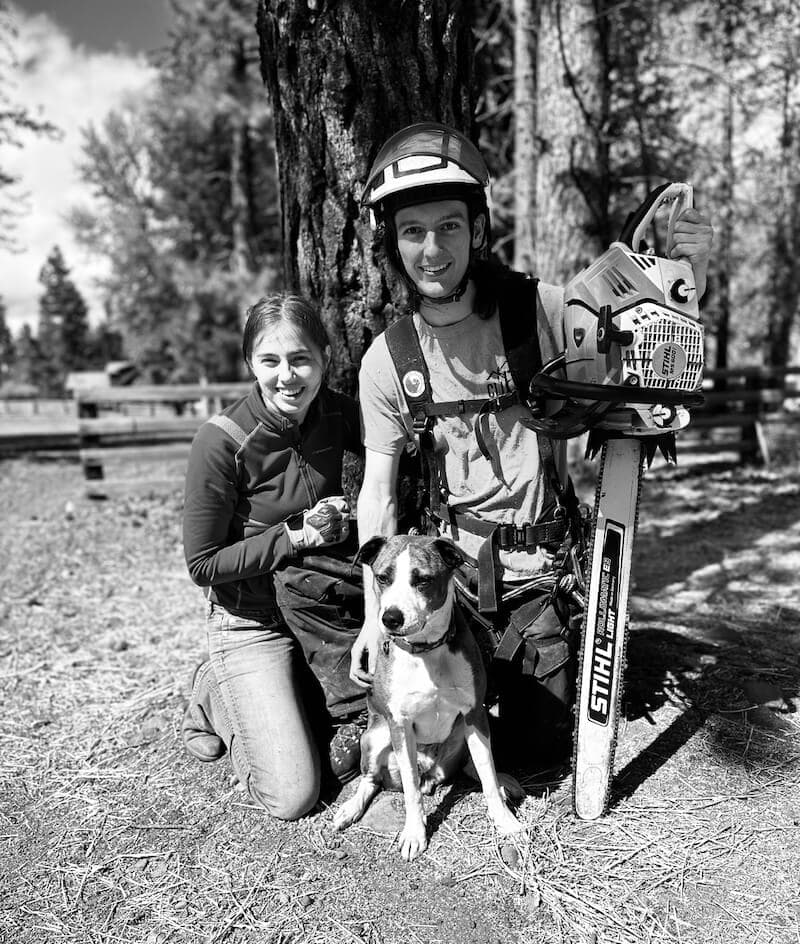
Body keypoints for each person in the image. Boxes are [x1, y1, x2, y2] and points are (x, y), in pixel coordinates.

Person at [350, 122, 713, 765]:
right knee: (420, 734)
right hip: (445, 586)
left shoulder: (536, 313)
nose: (432, 249)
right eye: (413, 231)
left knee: (536, 756)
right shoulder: (388, 359)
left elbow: (634, 332)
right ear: (392, 242)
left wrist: (689, 273)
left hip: (535, 576)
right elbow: (377, 492)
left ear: (477, 229)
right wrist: (373, 615)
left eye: (449, 227)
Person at [181, 292, 367, 820]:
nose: (287, 376)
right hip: (251, 621)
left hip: (320, 610)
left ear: (325, 359)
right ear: (250, 364)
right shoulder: (221, 442)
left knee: (359, 745)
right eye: (270, 360)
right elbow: (202, 565)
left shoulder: (336, 413)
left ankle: (274, 702)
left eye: (301, 359)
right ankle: (213, 691)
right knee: (294, 796)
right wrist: (295, 536)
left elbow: (392, 458)